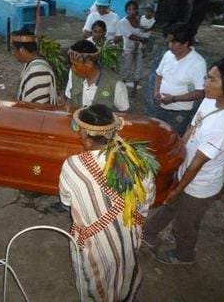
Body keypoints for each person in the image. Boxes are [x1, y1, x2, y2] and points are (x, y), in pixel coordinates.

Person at [143, 58, 224, 265]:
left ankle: (184, 255)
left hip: (200, 184)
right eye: (206, 77)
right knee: (170, 205)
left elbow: (197, 165)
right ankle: (148, 233)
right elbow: (192, 128)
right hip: (187, 172)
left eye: (212, 79)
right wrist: (177, 158)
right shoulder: (211, 99)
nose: (205, 84)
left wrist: (177, 186)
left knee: (185, 223)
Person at [59, 104, 157, 301]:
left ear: (86, 134)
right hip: (128, 238)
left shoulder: (72, 166)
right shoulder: (138, 160)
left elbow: (66, 202)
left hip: (94, 245)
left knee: (95, 286)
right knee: (125, 273)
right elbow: (147, 202)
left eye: (79, 130)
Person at [154, 23, 207, 136]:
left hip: (180, 113)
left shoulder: (198, 63)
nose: (170, 45)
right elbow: (159, 75)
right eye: (169, 41)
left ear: (186, 43)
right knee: (157, 135)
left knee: (173, 139)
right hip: (161, 107)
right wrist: (156, 92)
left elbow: (201, 92)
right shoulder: (168, 55)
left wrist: (174, 99)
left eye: (174, 42)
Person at [65, 40, 129, 112]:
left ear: (89, 63)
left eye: (75, 65)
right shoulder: (73, 74)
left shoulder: (116, 84)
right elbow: (69, 100)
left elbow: (124, 113)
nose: (72, 68)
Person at [11, 27, 57, 105]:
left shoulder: (37, 73)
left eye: (13, 49)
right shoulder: (32, 64)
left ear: (21, 50)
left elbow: (38, 110)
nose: (12, 53)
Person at [120, 0, 148, 97]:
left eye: (134, 9)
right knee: (126, 70)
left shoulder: (139, 20)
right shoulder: (123, 22)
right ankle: (121, 90)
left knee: (138, 69)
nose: (131, 11)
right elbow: (130, 36)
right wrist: (142, 39)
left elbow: (144, 32)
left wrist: (143, 45)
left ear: (136, 10)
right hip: (128, 49)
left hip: (139, 49)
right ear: (126, 11)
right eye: (129, 9)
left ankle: (135, 90)